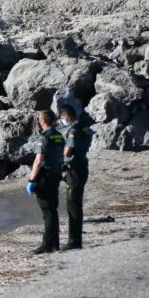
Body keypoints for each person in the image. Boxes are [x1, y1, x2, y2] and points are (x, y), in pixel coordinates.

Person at [26, 110, 66, 254]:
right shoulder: (59, 135)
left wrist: (31, 179)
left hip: (45, 176)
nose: (38, 120)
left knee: (47, 211)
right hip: (56, 174)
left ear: (43, 120)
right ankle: (55, 243)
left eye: (39, 118)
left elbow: (38, 161)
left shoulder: (44, 137)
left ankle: (47, 245)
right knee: (52, 210)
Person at [60, 105, 93, 250]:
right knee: (77, 204)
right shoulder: (84, 127)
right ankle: (75, 239)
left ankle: (74, 241)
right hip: (83, 165)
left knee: (73, 205)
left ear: (67, 116)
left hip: (74, 169)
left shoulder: (73, 131)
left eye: (62, 118)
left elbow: (68, 151)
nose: (62, 121)